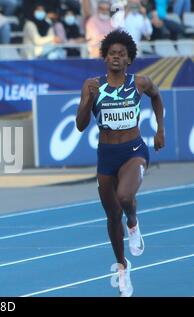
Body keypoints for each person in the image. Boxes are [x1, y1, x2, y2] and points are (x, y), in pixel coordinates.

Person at [76, 30, 165, 297]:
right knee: (112, 216)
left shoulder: (140, 82)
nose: (116, 57)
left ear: (129, 60)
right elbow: (80, 125)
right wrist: (87, 101)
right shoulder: (92, 85)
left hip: (134, 150)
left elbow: (157, 97)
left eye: (121, 54)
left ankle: (134, 222)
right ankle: (123, 267)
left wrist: (160, 129)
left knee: (125, 196)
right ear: (104, 57)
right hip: (106, 154)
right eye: (112, 53)